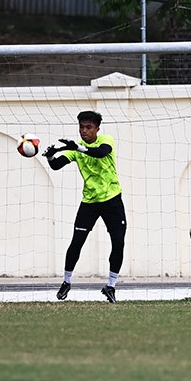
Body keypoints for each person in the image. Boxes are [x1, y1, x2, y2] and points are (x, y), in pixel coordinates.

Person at [42, 110, 127, 304]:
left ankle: (111, 286)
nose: (84, 131)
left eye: (89, 127)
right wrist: (51, 156)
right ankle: (66, 282)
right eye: (81, 127)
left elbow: (101, 152)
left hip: (112, 200)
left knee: (118, 242)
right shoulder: (75, 149)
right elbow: (56, 166)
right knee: (77, 242)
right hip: (89, 202)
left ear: (97, 129)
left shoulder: (106, 140)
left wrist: (78, 148)